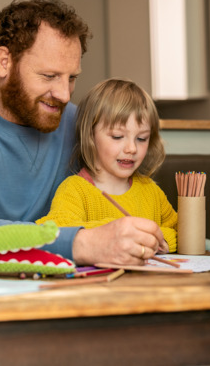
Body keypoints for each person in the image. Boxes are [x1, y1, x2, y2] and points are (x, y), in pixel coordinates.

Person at [0, 0, 167, 266]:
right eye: (49, 76)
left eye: (72, 78)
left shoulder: (82, 125)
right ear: (4, 62)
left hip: (44, 283)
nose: (63, 94)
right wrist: (81, 243)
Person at [36, 78, 177, 255]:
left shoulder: (151, 191)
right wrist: (113, 231)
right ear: (90, 135)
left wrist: (161, 238)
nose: (132, 148)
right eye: (118, 136)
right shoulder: (74, 190)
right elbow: (56, 231)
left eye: (141, 138)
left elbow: (181, 231)